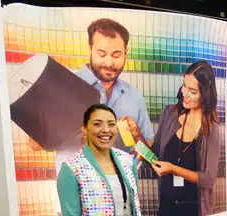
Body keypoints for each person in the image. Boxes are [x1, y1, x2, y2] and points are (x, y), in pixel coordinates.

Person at [30, 18, 155, 171]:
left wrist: (137, 138)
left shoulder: (134, 97)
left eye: (116, 55)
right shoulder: (64, 87)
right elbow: (34, 144)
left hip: (121, 191)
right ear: (90, 49)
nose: (109, 63)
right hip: (76, 189)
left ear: (125, 53)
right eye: (101, 54)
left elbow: (148, 152)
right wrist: (69, 122)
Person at [150, 61, 221, 216]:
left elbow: (208, 179)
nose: (185, 94)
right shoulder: (170, 114)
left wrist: (173, 169)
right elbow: (156, 155)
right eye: (184, 86)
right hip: (168, 215)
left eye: (193, 91)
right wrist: (136, 137)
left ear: (206, 93)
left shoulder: (212, 129)